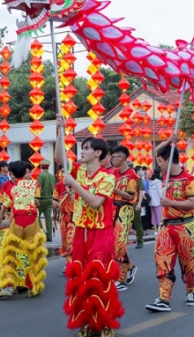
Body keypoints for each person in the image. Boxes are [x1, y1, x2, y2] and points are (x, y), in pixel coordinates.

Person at [58, 136, 123, 337]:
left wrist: (75, 185)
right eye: (82, 147)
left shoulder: (108, 177)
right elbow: (59, 156)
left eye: (86, 148)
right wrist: (59, 130)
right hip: (80, 232)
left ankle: (104, 323)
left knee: (100, 279)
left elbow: (95, 202)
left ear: (98, 153)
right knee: (81, 279)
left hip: (101, 233)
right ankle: (87, 321)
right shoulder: (79, 171)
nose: (82, 151)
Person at [146, 138, 194, 312]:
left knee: (188, 264)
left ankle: (190, 289)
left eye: (160, 162)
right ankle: (164, 299)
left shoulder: (189, 180)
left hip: (185, 227)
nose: (158, 165)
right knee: (162, 260)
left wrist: (170, 202)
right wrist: (169, 141)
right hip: (166, 228)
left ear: (168, 160)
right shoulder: (165, 176)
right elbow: (156, 151)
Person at [0, 161, 48, 298]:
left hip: (17, 221)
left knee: (9, 253)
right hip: (32, 221)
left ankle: (9, 286)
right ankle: (33, 286)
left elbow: (4, 207)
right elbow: (36, 201)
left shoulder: (12, 188)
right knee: (35, 254)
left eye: (10, 173)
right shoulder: (34, 185)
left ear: (12, 174)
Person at [110, 145, 138, 292]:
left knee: (120, 243)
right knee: (115, 244)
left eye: (114, 157)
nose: (111, 159)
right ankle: (130, 267)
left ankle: (122, 278)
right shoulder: (115, 173)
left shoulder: (131, 174)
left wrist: (113, 189)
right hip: (114, 209)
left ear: (121, 158)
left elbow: (130, 196)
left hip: (125, 209)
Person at [36, 162, 56, 242]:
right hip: (50, 199)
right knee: (48, 218)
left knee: (36, 216)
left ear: (41, 166)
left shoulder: (41, 176)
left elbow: (38, 188)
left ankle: (42, 233)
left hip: (41, 199)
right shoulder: (52, 176)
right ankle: (49, 235)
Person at [132, 166, 146, 248]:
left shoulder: (137, 178)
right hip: (125, 204)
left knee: (137, 223)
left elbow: (141, 191)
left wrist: (139, 204)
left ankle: (140, 241)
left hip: (135, 203)